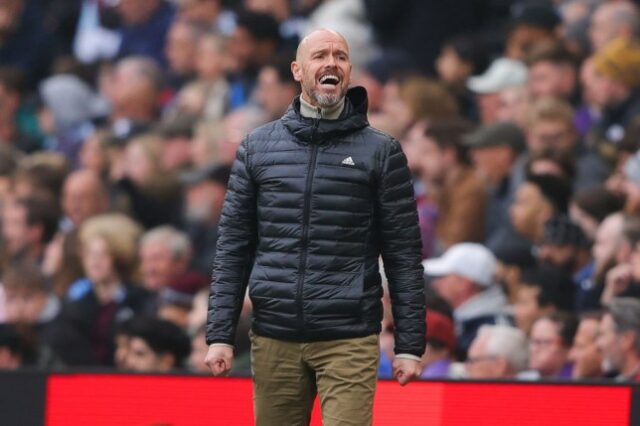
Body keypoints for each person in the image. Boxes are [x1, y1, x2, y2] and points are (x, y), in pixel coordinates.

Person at [205, 29, 425, 426]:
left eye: (340, 57)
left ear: (349, 71)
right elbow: (233, 246)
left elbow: (403, 252)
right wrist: (220, 333)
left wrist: (409, 344)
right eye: (320, 55)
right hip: (274, 333)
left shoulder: (381, 150)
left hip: (349, 335)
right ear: (297, 70)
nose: (331, 63)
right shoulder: (257, 147)